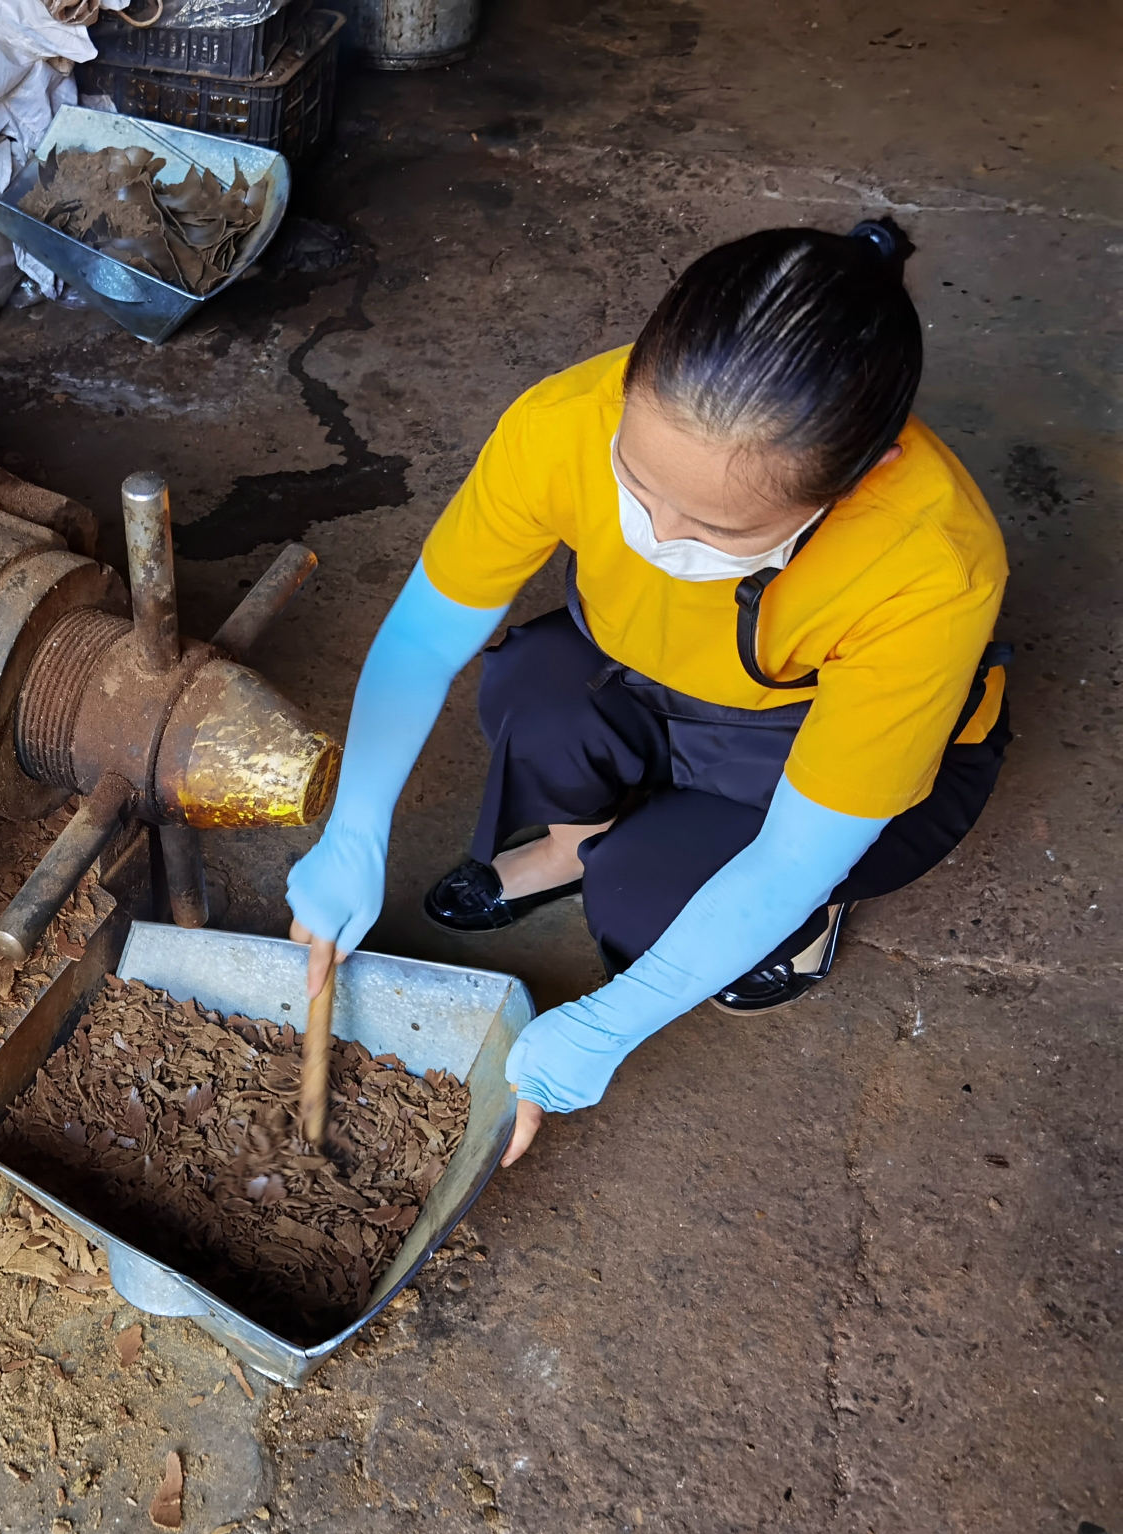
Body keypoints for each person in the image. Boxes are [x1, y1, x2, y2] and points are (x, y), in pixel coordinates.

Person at [285, 217, 1010, 1167]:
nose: (655, 530)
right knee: (531, 690)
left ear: (859, 478)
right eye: (637, 478)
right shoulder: (566, 421)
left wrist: (607, 1026)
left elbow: (793, 851)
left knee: (647, 907)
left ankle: (799, 923)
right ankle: (573, 847)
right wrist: (354, 827)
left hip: (809, 742)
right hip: (651, 671)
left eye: (712, 526)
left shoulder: (930, 562)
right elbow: (425, 635)